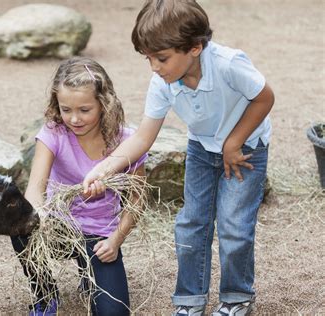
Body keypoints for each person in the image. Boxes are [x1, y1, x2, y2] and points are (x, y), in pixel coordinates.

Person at [82, 1, 275, 315]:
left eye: (161, 58)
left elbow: (265, 97)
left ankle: (237, 297)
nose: (154, 67)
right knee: (190, 223)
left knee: (233, 225)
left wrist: (234, 142)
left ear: (195, 48)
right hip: (201, 149)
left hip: (244, 150)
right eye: (149, 58)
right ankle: (190, 300)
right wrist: (104, 167)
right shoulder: (162, 82)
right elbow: (143, 137)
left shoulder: (228, 64)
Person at [11, 56, 147, 316]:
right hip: (58, 227)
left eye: (84, 110)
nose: (74, 119)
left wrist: (116, 240)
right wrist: (41, 216)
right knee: (19, 223)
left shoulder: (127, 141)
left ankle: (91, 272)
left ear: (104, 103)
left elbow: (138, 199)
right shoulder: (54, 132)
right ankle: (45, 294)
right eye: (65, 109)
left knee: (113, 313)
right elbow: (34, 190)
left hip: (100, 236)